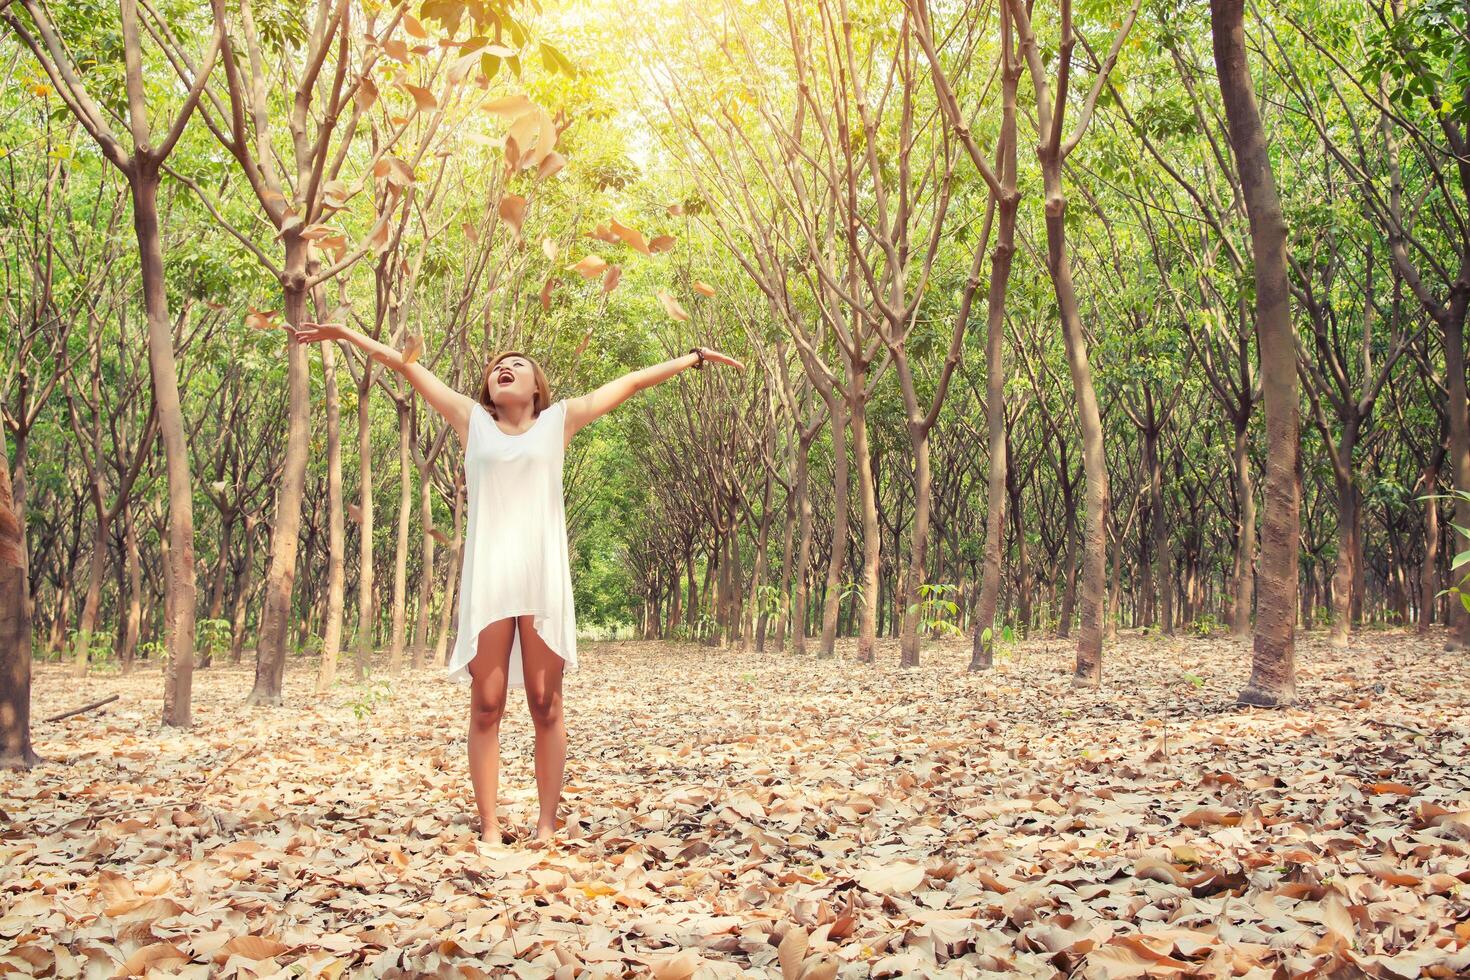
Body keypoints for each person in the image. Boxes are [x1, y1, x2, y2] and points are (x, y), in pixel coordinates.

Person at [285, 320, 742, 843]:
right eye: (497, 366)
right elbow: (406, 366)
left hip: (542, 574)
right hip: (491, 578)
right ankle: (490, 826)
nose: (504, 368)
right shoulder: (470, 419)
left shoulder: (560, 421)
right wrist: (346, 333)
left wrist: (695, 358)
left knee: (546, 702)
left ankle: (547, 825)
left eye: (517, 364)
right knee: (487, 701)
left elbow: (631, 382)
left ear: (537, 387)